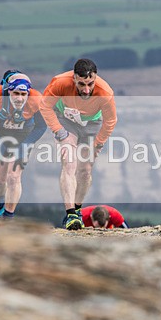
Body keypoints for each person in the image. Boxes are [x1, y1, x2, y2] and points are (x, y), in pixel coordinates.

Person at [39, 58, 118, 231]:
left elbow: (111, 120)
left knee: (85, 170)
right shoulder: (60, 83)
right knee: (69, 162)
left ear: (95, 78)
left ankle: (77, 208)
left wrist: (98, 144)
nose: (86, 89)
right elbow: (44, 106)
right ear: (74, 78)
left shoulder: (105, 92)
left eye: (90, 83)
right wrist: (58, 130)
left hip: (92, 124)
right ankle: (71, 214)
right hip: (66, 121)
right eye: (81, 84)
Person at [0, 70, 47, 219]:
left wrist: (26, 145)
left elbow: (41, 126)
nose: (20, 98)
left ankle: (8, 216)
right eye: (16, 93)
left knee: (13, 177)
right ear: (8, 91)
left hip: (23, 134)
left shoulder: (37, 100)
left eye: (23, 94)